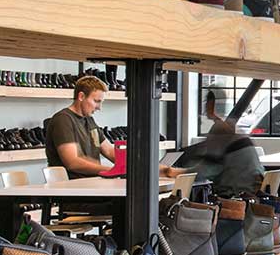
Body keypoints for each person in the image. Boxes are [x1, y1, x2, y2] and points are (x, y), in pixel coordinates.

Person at [44, 75, 179, 180]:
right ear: (81, 96)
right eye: (96, 101)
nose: (99, 107)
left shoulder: (89, 121)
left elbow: (110, 151)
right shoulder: (63, 120)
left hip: (93, 185)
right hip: (75, 191)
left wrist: (157, 169)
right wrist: (109, 170)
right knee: (131, 203)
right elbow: (73, 162)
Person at [176, 118, 265, 196]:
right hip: (251, 197)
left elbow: (199, 174)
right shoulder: (245, 143)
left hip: (232, 198)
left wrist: (169, 171)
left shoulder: (224, 147)